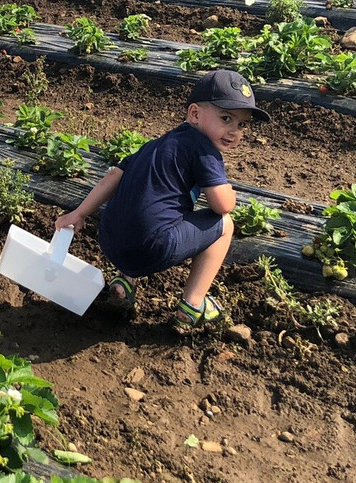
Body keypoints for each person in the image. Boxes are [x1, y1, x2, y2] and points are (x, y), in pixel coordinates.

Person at [54, 69, 269, 328]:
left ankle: (123, 284)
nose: (234, 131)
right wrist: (230, 195)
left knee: (147, 201)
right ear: (195, 114)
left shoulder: (157, 144)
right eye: (226, 118)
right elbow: (222, 205)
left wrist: (79, 213)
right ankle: (193, 304)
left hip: (109, 239)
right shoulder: (204, 149)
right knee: (225, 225)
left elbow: (113, 176)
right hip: (150, 247)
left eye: (242, 124)